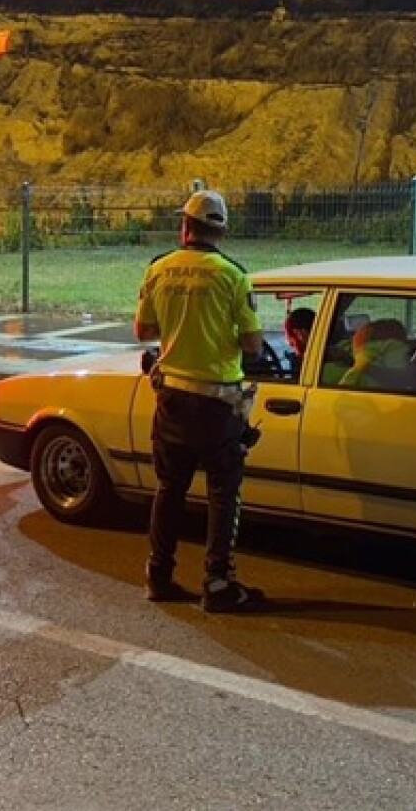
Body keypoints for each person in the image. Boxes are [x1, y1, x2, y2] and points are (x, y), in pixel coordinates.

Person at [134, 189, 267, 613]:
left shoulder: (159, 269)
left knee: (169, 489)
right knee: (223, 493)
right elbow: (252, 344)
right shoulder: (232, 275)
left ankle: (158, 575)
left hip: (172, 399)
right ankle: (218, 582)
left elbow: (144, 332)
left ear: (185, 226)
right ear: (220, 232)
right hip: (217, 405)